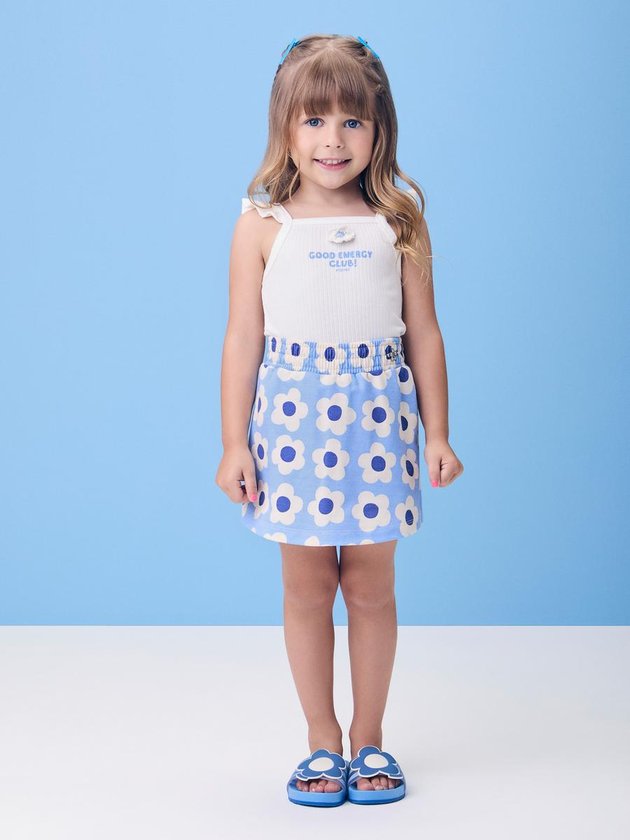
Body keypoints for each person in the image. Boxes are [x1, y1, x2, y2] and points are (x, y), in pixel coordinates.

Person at [215, 33, 464, 806]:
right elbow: (243, 336)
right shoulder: (262, 222)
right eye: (315, 120)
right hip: (292, 431)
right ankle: (321, 739)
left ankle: (370, 736)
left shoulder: (399, 217)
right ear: (285, 127)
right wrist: (232, 444)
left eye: (352, 121)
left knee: (371, 588)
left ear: (379, 127)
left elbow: (424, 333)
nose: (333, 139)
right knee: (306, 587)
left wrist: (438, 432)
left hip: (377, 427)